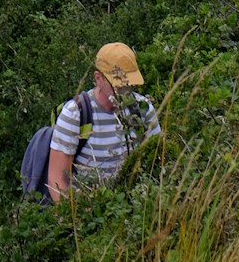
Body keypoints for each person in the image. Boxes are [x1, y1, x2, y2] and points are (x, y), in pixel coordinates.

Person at [47, 42, 160, 203]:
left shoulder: (143, 109)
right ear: (99, 79)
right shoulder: (76, 113)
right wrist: (72, 220)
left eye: (129, 85)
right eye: (119, 86)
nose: (125, 91)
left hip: (134, 208)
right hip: (87, 208)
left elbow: (158, 160)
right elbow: (57, 179)